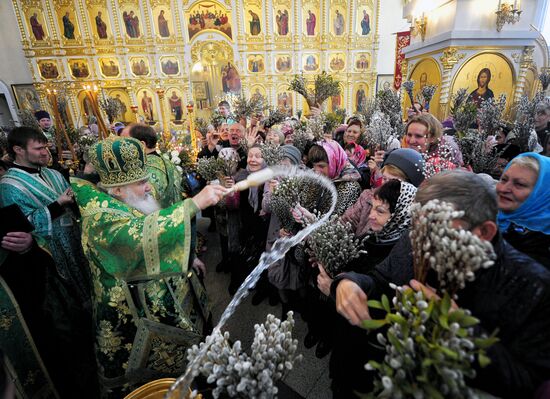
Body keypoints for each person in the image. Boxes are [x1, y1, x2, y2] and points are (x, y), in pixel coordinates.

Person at [331, 170, 550, 398]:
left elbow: (526, 383)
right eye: (418, 225)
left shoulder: (533, 286)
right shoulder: (417, 235)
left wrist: (459, 330)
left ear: (484, 232)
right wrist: (350, 282)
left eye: (438, 229)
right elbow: (382, 280)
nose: (422, 242)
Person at [71, 136, 227, 397]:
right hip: (132, 314)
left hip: (164, 293)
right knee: (154, 383)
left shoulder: (129, 197)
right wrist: (194, 204)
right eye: (141, 182)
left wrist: (190, 258)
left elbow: (157, 225)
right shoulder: (99, 216)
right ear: (117, 189)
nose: (148, 188)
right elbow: (138, 236)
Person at [0, 127, 91, 306]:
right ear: (19, 150)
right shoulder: (9, 185)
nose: (45, 153)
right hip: (50, 254)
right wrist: (58, 204)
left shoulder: (53, 173)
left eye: (46, 147)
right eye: (38, 149)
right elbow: (23, 226)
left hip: (76, 242)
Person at [496, 153, 550, 268]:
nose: (503, 189)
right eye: (504, 179)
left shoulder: (541, 251)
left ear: (542, 193)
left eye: (519, 184)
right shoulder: (495, 220)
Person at [123, 124, 182, 208]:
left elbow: (142, 205)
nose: (120, 148)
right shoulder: (166, 162)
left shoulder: (146, 169)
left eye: (124, 143)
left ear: (141, 145)